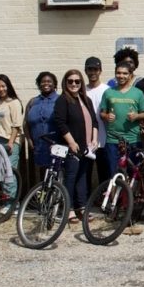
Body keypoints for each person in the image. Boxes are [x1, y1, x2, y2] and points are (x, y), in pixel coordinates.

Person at [53, 69, 98, 224]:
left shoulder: (86, 99)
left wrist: (94, 140)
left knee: (83, 177)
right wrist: (71, 142)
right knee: (71, 177)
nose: (74, 84)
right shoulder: (62, 100)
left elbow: (95, 121)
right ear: (65, 83)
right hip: (71, 147)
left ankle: (81, 206)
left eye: (77, 81)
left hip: (86, 148)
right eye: (70, 81)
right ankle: (69, 208)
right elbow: (61, 123)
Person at [101, 62, 144, 177]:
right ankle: (115, 195)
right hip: (113, 141)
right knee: (114, 175)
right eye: (118, 73)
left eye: (125, 73)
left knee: (133, 175)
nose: (121, 76)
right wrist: (106, 116)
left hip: (133, 140)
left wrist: (136, 116)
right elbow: (102, 113)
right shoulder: (108, 92)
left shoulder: (138, 93)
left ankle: (131, 195)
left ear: (130, 75)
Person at [0, 74, 23, 205]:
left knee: (9, 173)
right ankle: (4, 201)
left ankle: (12, 203)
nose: (0, 89)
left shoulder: (14, 102)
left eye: (3, 86)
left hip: (9, 141)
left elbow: (17, 125)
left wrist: (11, 143)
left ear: (8, 86)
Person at [24, 71, 59, 176]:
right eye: (43, 81)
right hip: (38, 147)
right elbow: (25, 124)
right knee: (42, 176)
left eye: (49, 81)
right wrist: (29, 140)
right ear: (39, 84)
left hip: (56, 146)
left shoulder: (60, 100)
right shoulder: (32, 102)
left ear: (54, 84)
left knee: (56, 175)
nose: (46, 84)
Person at [84, 56, 110, 186]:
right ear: (85, 71)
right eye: (90, 69)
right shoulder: (81, 90)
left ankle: (103, 201)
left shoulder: (107, 90)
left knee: (104, 173)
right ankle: (87, 201)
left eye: (95, 69)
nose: (93, 72)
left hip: (104, 139)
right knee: (85, 173)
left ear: (100, 71)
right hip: (86, 140)